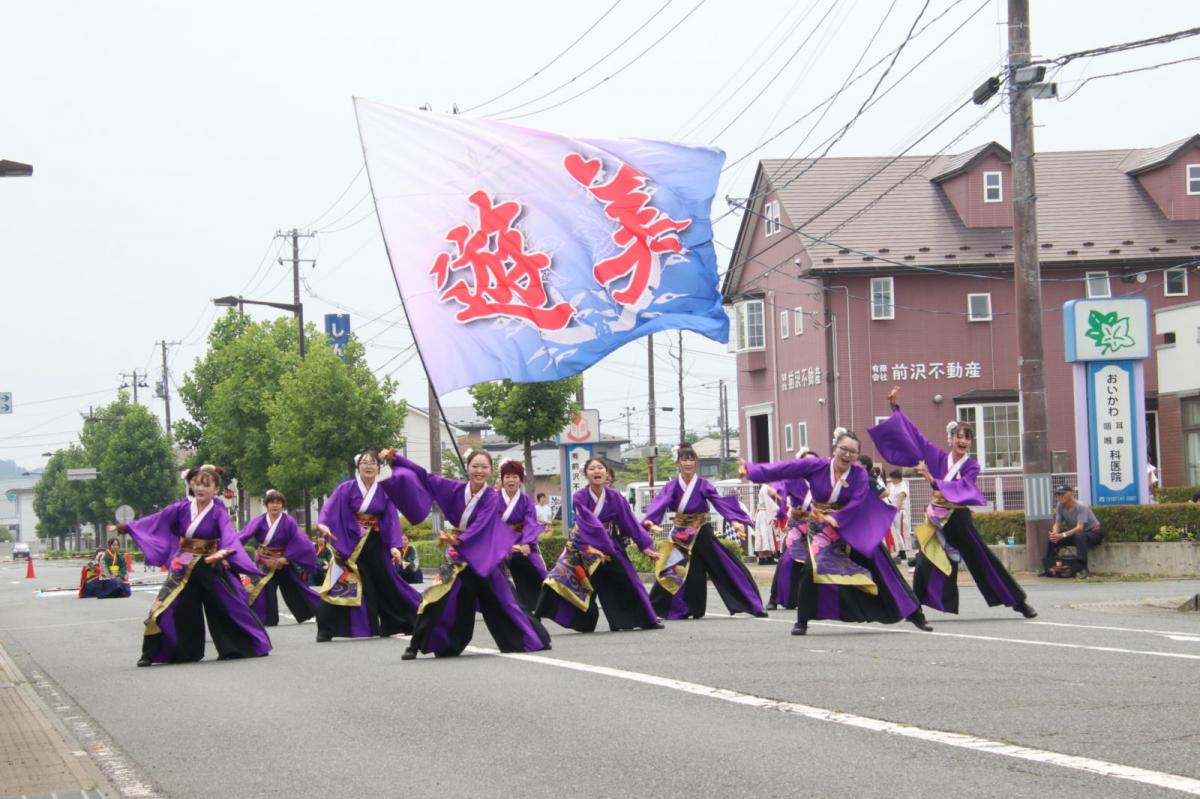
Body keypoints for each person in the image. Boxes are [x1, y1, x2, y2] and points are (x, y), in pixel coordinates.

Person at [868, 386, 1037, 620]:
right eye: (959, 436)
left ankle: (1019, 602)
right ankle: (913, 607)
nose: (963, 441)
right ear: (951, 440)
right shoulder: (937, 457)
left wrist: (932, 480)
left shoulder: (971, 466)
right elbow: (914, 435)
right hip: (937, 518)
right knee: (926, 562)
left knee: (982, 561)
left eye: (967, 437)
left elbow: (964, 488)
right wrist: (895, 408)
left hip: (958, 518)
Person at [742, 432, 931, 635]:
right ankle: (802, 621)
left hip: (851, 524)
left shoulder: (858, 474)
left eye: (853, 452)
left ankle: (914, 613)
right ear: (835, 450)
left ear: (857, 456)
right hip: (822, 528)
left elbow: (858, 500)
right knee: (810, 570)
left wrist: (838, 518)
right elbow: (786, 468)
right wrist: (752, 470)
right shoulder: (818, 466)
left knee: (882, 564)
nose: (847, 455)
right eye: (844, 450)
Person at [387, 449, 551, 660]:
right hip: (460, 556)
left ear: (491, 471)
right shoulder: (454, 488)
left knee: (504, 599)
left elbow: (482, 524)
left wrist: (458, 540)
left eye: (484, 467)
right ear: (468, 468)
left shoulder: (492, 497)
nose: (479, 471)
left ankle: (533, 637)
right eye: (475, 466)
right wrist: (397, 459)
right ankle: (417, 645)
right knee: (438, 597)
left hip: (483, 555)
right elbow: (425, 476)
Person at [114, 465, 271, 666]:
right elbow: (156, 520)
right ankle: (169, 652)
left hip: (210, 564)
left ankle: (236, 647)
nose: (200, 488)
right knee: (169, 606)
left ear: (216, 489)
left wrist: (224, 551)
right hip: (183, 564)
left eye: (206, 485)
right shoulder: (180, 508)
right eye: (197, 483)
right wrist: (129, 527)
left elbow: (228, 534)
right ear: (191, 485)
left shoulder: (218, 511)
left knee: (224, 606)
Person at [536, 457, 662, 633]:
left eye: (600, 468)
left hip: (608, 545)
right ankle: (548, 616)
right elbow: (590, 524)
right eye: (592, 469)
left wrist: (645, 546)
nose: (596, 471)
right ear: (586, 474)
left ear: (606, 472)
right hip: (583, 545)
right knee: (559, 578)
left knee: (628, 578)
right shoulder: (579, 497)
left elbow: (629, 522)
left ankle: (643, 619)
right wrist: (602, 548)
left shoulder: (615, 496)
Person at [314, 451, 427, 643]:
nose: (368, 466)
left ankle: (405, 622)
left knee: (387, 582)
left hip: (375, 542)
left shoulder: (383, 491)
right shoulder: (346, 489)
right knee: (340, 584)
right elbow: (329, 508)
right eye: (364, 462)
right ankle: (327, 628)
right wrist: (323, 524)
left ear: (378, 468)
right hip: (351, 543)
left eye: (373, 463)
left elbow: (391, 518)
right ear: (358, 467)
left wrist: (394, 546)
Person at [646, 443, 766, 620]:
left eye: (691, 459)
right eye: (684, 459)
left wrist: (734, 520)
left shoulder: (703, 485)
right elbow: (659, 504)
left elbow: (719, 502)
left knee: (725, 566)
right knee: (673, 570)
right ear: (678, 462)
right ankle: (667, 609)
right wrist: (651, 521)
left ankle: (752, 605)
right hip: (681, 534)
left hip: (702, 531)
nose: (688, 463)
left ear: (696, 462)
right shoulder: (671, 486)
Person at [239, 489, 322, 626]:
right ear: (267, 504)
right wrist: (231, 549)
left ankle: (320, 610)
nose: (275, 506)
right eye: (272, 502)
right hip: (264, 562)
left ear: (283, 505)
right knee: (265, 590)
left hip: (283, 562)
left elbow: (300, 541)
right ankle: (268, 619)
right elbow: (244, 535)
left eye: (278, 503)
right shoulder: (259, 521)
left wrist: (286, 557)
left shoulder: (288, 521)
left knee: (296, 587)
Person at [765, 450, 822, 611]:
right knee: (787, 561)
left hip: (819, 530)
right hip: (798, 528)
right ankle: (774, 598)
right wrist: (777, 493)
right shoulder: (793, 479)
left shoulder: (825, 482)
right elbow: (777, 489)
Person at [496, 460, 546, 612]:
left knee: (537, 567)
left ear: (520, 480)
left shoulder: (526, 501)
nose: (511, 480)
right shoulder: (493, 498)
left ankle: (541, 603)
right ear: (502, 479)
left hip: (521, 539)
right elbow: (489, 522)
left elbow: (531, 522)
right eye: (507, 477)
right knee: (491, 568)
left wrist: (526, 542)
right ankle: (501, 603)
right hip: (499, 540)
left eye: (515, 477)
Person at [1041, 485, 1104, 579]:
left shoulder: (1081, 506)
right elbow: (1057, 524)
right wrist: (1055, 534)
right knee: (1053, 538)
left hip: (1093, 534)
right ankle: (1050, 567)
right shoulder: (1060, 506)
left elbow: (1080, 528)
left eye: (1062, 494)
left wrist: (1061, 535)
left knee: (1080, 536)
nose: (1059, 496)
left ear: (1071, 494)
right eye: (1057, 494)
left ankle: (1083, 568)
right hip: (1078, 535)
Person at [885, 469, 912, 565]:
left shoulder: (902, 488)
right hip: (893, 510)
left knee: (900, 532)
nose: (891, 480)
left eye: (893, 478)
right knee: (896, 532)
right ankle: (901, 551)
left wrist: (894, 511)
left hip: (898, 511)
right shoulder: (895, 485)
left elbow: (899, 503)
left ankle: (903, 551)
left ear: (898, 478)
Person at [752, 481, 782, 565]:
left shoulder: (764, 487)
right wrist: (778, 510)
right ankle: (764, 557)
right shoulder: (766, 488)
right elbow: (769, 503)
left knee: (763, 535)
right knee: (764, 534)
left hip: (762, 513)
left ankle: (766, 557)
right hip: (764, 513)